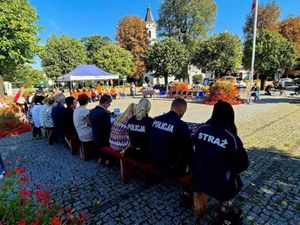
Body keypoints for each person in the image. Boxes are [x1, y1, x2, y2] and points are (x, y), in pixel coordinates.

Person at [192, 100, 249, 219]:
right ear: (230, 116)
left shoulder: (200, 129)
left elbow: (194, 152)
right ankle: (224, 204)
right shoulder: (232, 138)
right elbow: (243, 165)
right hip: (222, 186)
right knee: (234, 180)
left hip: (199, 178)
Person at [148, 98, 193, 178]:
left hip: (153, 159)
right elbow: (189, 150)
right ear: (181, 111)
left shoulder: (156, 119)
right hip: (170, 166)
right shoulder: (181, 125)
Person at [89, 95, 112, 163]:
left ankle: (100, 157)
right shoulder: (104, 113)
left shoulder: (92, 111)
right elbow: (108, 128)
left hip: (95, 135)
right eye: (109, 103)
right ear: (105, 103)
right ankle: (108, 160)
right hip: (104, 139)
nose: (109, 105)